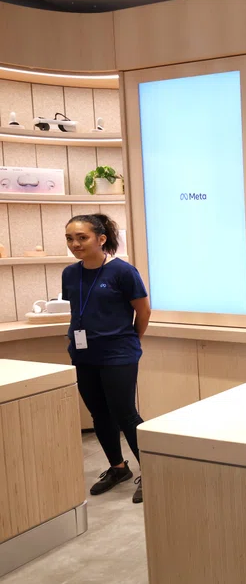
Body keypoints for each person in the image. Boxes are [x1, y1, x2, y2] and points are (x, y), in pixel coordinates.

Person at [63, 214, 150, 504]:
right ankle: (118, 468)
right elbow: (79, 310)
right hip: (83, 354)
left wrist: (132, 340)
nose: (76, 244)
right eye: (70, 238)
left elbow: (144, 311)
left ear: (101, 239)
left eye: (82, 237)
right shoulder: (70, 274)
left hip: (119, 354)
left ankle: (150, 472)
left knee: (125, 413)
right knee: (99, 414)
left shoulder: (123, 272)